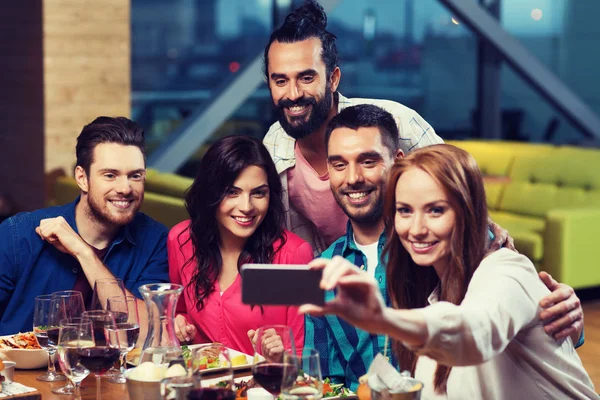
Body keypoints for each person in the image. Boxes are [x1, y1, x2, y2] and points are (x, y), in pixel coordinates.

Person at [301, 104, 584, 392]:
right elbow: (323, 377)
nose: (417, 229)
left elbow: (478, 330)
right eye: (405, 211)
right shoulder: (362, 265)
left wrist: (385, 320)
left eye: (436, 210)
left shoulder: (496, 261)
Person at [263, 0, 445, 254]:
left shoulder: (397, 122)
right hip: (327, 282)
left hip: (405, 273)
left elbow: (456, 188)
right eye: (281, 80)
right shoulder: (273, 146)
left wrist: (487, 232)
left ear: (333, 79)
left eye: (306, 78)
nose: (293, 94)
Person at [0, 117, 170, 335]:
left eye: (135, 176)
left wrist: (83, 253)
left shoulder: (156, 242)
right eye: (110, 175)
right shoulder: (17, 235)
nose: (126, 188)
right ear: (82, 178)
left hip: (110, 368)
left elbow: (147, 334)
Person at [168, 135, 313, 356]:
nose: (246, 207)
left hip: (262, 386)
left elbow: (303, 354)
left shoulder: (292, 255)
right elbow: (179, 312)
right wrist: (180, 324)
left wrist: (281, 355)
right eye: (232, 192)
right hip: (202, 384)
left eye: (258, 193)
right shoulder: (182, 240)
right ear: (211, 193)